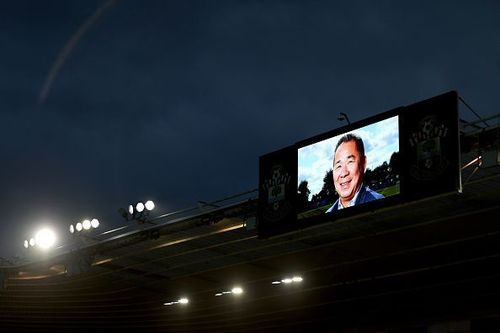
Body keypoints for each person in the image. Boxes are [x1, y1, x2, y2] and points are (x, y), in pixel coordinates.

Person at [326, 133, 384, 213]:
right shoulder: (328, 214)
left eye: (350, 162)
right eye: (338, 166)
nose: (343, 173)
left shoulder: (379, 203)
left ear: (363, 163)